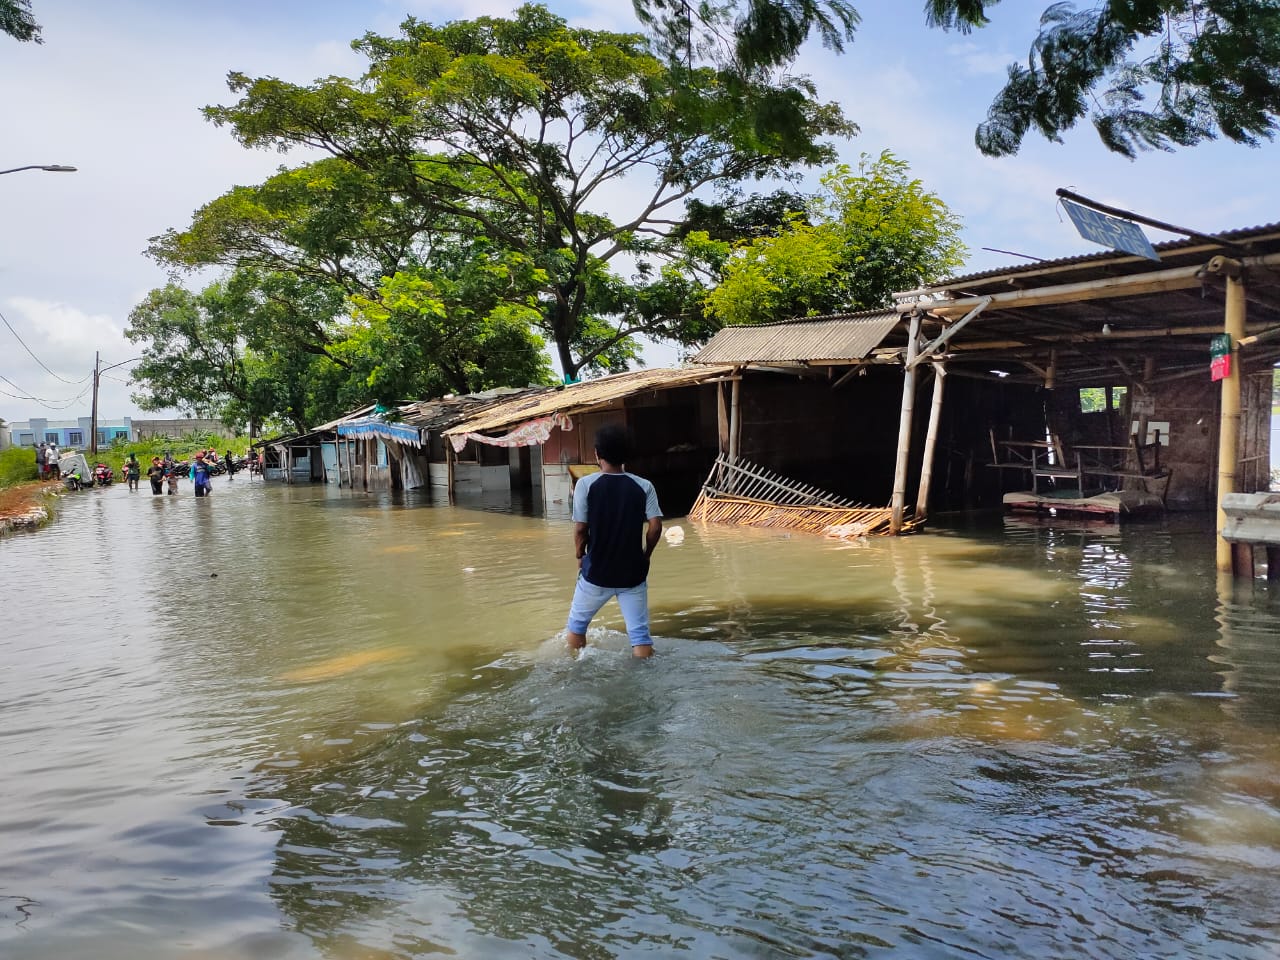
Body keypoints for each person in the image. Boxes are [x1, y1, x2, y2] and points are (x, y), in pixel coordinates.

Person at [564, 425, 663, 659]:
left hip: (597, 570)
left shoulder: (585, 485)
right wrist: (646, 554)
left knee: (577, 626)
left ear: (597, 454)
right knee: (639, 635)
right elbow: (655, 526)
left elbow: (580, 529)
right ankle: (643, 673)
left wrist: (580, 556)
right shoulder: (644, 486)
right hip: (632, 573)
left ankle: (576, 667)